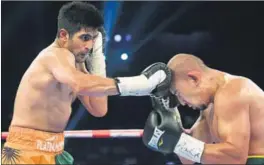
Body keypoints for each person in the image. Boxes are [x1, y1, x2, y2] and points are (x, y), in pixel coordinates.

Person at [1, 2, 172, 164]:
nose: (89, 46)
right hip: (26, 151)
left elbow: (99, 108)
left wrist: (97, 56)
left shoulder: (76, 65)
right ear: (63, 35)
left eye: (93, 39)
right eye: (84, 38)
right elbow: (80, 84)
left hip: (54, 149)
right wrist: (141, 84)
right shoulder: (55, 56)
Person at [142, 53, 264, 164]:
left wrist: (178, 144)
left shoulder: (233, 91)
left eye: (178, 93)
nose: (182, 102)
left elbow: (235, 157)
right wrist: (169, 113)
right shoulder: (208, 108)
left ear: (194, 78)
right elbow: (189, 159)